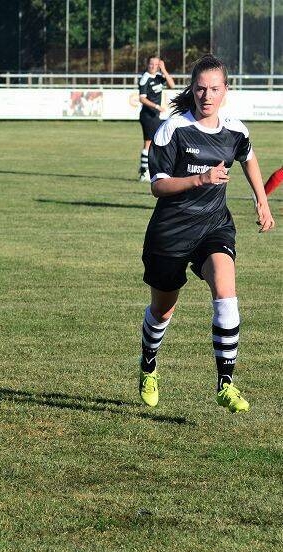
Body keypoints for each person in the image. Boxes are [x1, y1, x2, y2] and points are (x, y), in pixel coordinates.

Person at [138, 54, 275, 413]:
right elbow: (158, 186)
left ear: (225, 90)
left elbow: (248, 156)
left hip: (214, 227)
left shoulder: (235, 130)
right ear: (192, 89)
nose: (207, 96)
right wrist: (200, 179)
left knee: (226, 293)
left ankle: (225, 383)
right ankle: (149, 364)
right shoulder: (172, 129)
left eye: (214, 89)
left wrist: (261, 201)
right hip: (170, 233)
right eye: (200, 89)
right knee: (162, 311)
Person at [138, 56, 175, 182]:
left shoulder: (159, 76)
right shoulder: (145, 78)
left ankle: (150, 170)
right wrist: (156, 106)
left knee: (155, 143)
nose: (153, 66)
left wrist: (164, 70)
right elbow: (142, 98)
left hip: (156, 116)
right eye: (151, 64)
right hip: (148, 115)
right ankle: (144, 172)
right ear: (147, 64)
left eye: (156, 64)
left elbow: (172, 85)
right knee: (148, 143)